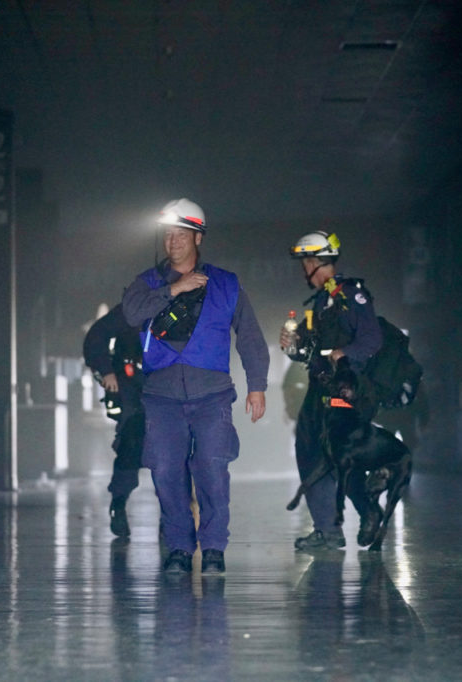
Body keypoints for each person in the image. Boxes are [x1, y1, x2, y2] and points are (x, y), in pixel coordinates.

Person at [122, 198, 269, 574]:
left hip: (212, 395)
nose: (173, 241)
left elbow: (250, 336)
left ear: (198, 237)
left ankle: (214, 548)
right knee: (166, 472)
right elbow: (132, 314)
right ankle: (179, 549)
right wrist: (175, 289)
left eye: (181, 234)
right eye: (167, 234)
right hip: (161, 396)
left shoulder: (226, 284)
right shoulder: (148, 283)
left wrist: (257, 385)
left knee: (212, 469)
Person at [280, 230, 383, 550]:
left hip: (345, 388)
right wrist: (293, 347)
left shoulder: (352, 295)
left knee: (339, 457)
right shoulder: (323, 300)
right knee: (311, 454)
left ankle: (368, 511)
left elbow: (372, 340)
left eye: (306, 262)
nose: (303, 269)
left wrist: (344, 354)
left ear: (317, 261)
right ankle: (327, 530)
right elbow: (312, 351)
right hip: (319, 390)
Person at [83, 302, 146, 538]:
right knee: (131, 445)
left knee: (172, 454)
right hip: (133, 387)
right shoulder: (133, 308)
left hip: (169, 389)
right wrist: (106, 370)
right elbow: (97, 336)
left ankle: (171, 519)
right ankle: (118, 504)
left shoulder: (181, 305)